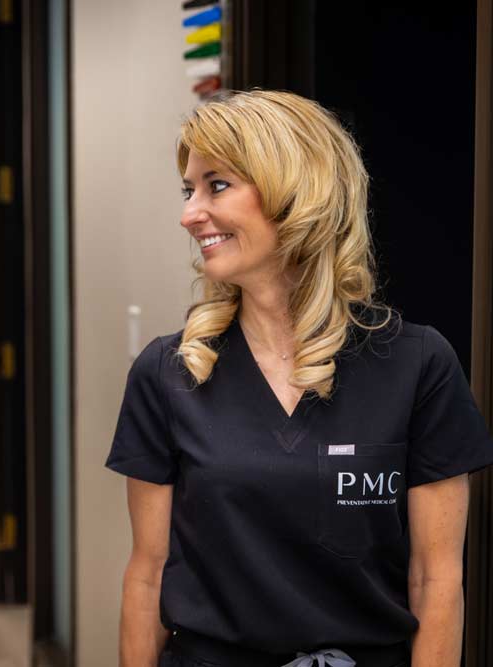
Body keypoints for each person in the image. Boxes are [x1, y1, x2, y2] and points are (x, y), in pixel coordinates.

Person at [106, 89, 493, 667]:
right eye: (188, 190)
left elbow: (435, 581)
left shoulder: (417, 365)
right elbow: (146, 576)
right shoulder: (170, 372)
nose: (189, 213)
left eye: (217, 185)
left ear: (295, 192)